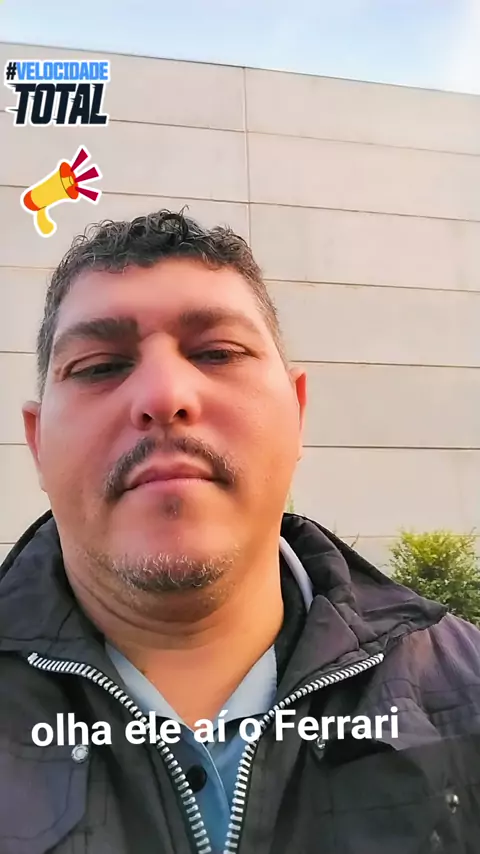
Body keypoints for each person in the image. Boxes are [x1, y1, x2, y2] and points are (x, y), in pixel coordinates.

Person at [0, 209, 479, 854]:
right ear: (37, 444)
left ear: (297, 412)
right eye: (99, 366)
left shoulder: (467, 696)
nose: (163, 395)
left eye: (217, 353)